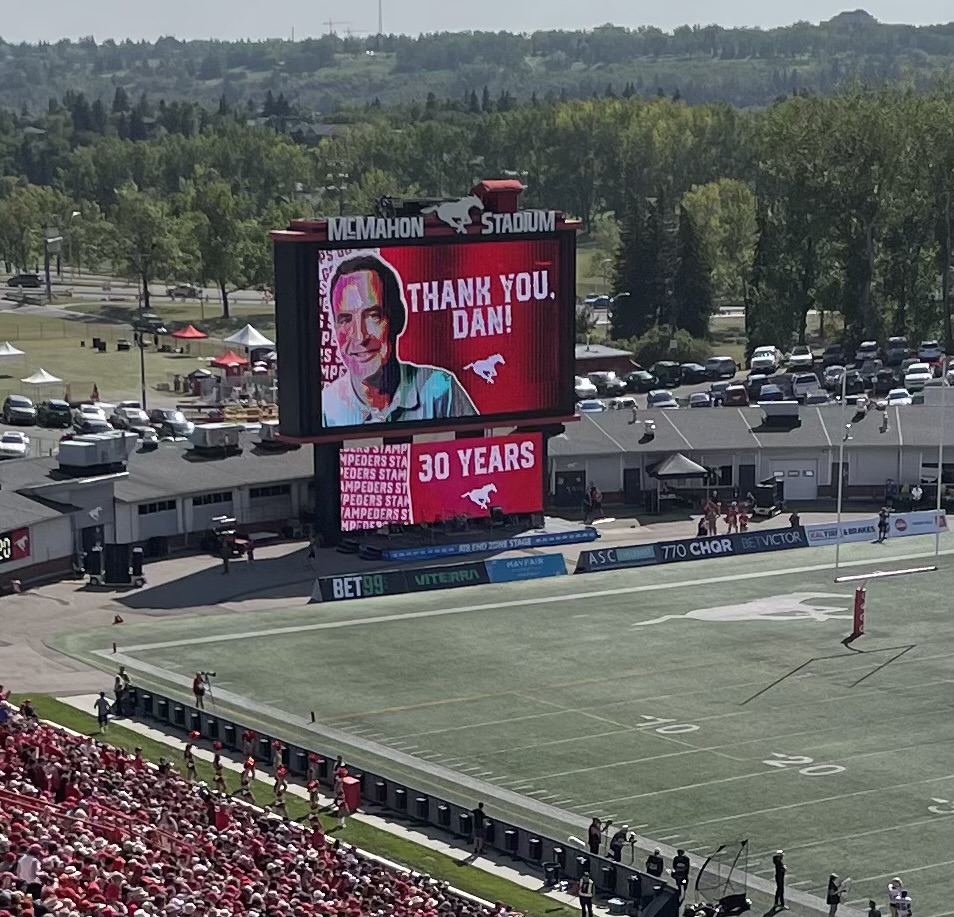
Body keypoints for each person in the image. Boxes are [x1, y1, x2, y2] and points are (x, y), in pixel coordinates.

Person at [322, 254, 478, 426]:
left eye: (373, 316)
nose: (360, 337)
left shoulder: (439, 389)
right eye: (345, 319)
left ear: (398, 319)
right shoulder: (326, 408)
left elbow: (476, 447)